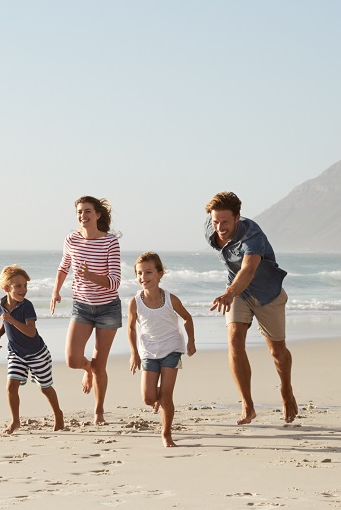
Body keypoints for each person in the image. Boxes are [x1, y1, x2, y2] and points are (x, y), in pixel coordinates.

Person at [204, 191, 298, 425]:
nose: (219, 227)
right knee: (234, 340)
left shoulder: (253, 235)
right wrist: (231, 292)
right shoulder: (211, 228)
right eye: (215, 221)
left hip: (267, 293)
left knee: (277, 351)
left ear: (238, 218)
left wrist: (227, 293)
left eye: (225, 221)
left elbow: (248, 270)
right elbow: (237, 273)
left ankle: (286, 390)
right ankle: (247, 404)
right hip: (238, 292)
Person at [49, 196, 121, 425]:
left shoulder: (110, 242)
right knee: (72, 359)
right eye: (79, 212)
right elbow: (64, 266)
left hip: (108, 308)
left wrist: (90, 276)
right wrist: (55, 291)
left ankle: (99, 411)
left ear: (98, 215)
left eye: (87, 211)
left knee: (101, 365)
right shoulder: (71, 239)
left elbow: (115, 282)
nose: (83, 215)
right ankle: (87, 370)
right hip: (81, 306)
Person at [126, 252, 196, 447]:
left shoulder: (170, 299)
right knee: (148, 397)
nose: (143, 277)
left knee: (166, 397)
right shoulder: (135, 302)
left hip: (172, 348)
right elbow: (131, 328)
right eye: (139, 273)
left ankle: (166, 435)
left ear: (160, 274)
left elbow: (187, 318)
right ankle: (158, 399)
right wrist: (134, 354)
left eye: (148, 272)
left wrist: (191, 342)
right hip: (148, 351)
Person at [0, 265, 65, 434]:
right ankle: (15, 421)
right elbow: (5, 322)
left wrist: (11, 321)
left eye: (25, 285)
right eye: (18, 286)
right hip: (16, 353)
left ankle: (58, 414)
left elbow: (31, 332)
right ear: (6, 288)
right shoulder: (0, 306)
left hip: (37, 353)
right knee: (11, 386)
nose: (23, 289)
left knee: (45, 387)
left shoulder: (27, 306)